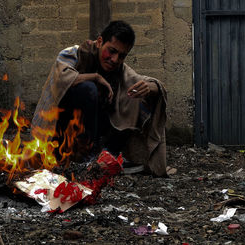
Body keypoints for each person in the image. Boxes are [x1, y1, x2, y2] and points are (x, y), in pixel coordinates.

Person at [31, 20, 167, 176]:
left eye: (121, 56)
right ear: (100, 41)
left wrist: (150, 87)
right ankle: (83, 158)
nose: (114, 59)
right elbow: (60, 79)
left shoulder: (119, 69)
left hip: (97, 134)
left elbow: (144, 82)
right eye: (111, 51)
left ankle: (107, 155)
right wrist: (95, 77)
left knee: (134, 95)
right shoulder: (73, 54)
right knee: (88, 89)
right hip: (61, 134)